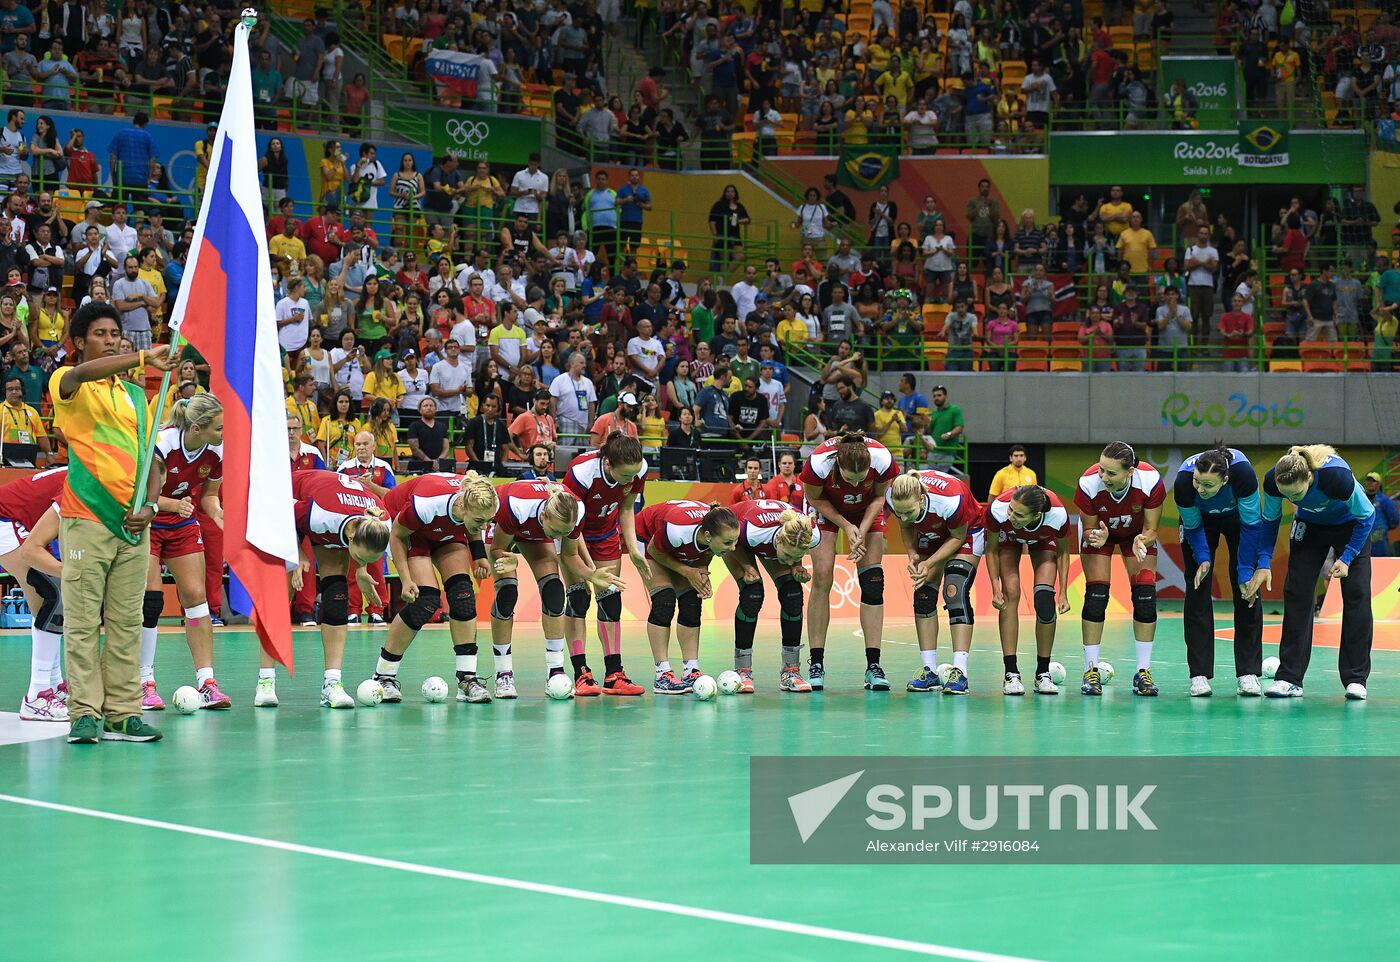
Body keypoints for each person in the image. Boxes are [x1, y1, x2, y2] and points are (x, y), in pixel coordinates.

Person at [52, 302, 175, 744]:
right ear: (80, 342)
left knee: (126, 622)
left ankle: (123, 714)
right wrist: (145, 357)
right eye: (99, 333)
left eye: (114, 333)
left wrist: (153, 506)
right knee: (83, 622)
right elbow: (84, 374)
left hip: (134, 526)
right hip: (87, 518)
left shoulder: (137, 397)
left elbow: (153, 461)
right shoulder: (69, 382)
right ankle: (84, 712)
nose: (109, 339)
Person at [257, 470, 390, 709]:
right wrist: (296, 555)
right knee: (283, 592)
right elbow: (285, 516)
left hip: (334, 514)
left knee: (337, 597)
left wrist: (361, 570)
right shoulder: (322, 513)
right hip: (285, 503)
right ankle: (265, 681)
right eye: (361, 557)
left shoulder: (380, 521)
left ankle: (332, 684)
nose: (363, 561)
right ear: (350, 537)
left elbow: (364, 544)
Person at [1255, 445, 1374, 699]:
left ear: (1309, 476)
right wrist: (1264, 561)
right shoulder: (1274, 481)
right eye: (1290, 497)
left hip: (1352, 526)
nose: (1295, 500)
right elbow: (1270, 521)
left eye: (1298, 493)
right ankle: (1290, 677)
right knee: (1297, 592)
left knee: (1357, 594)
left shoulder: (1336, 477)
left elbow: (1367, 515)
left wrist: (1348, 556)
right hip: (1309, 526)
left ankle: (1355, 679)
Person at [490, 479, 622, 697]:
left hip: (537, 533)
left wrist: (591, 574)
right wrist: (510, 558)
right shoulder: (515, 505)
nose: (560, 537)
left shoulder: (575, 510)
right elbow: (497, 548)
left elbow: (569, 555)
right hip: (504, 526)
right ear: (544, 516)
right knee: (507, 591)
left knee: (554, 591)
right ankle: (503, 673)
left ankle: (555, 670)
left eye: (565, 532)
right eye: (557, 531)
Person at [139, 395, 230, 712]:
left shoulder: (216, 450)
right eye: (219, 427)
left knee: (196, 596)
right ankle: (143, 682)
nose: (224, 432)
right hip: (147, 521)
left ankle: (207, 682)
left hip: (182, 521)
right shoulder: (163, 444)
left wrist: (217, 513)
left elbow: (209, 495)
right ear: (196, 427)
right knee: (151, 601)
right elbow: (140, 494)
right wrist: (172, 504)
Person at [376, 472, 499, 702]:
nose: (484, 526)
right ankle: (384, 676)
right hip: (410, 532)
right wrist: (405, 579)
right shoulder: (426, 503)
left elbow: (473, 527)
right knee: (425, 601)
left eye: (488, 521)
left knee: (463, 595)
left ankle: (467, 679)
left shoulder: (485, 500)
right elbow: (397, 535)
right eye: (480, 521)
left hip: (447, 531)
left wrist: (479, 554)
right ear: (462, 506)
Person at [799, 433, 899, 691]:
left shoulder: (882, 459)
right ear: (837, 467)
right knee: (822, 576)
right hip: (826, 508)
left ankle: (874, 666)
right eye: (849, 479)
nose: (855, 485)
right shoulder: (819, 462)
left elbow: (879, 497)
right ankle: (816, 663)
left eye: (860, 479)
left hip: (867, 510)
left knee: (873, 581)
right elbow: (814, 498)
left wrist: (861, 530)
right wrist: (845, 525)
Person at [559, 434, 650, 696]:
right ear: (608, 464)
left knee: (610, 600)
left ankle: (614, 674)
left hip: (607, 534)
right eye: (624, 476)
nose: (629, 481)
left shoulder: (637, 469)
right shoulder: (581, 473)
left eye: (633, 475)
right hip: (574, 536)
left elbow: (627, 507)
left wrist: (632, 549)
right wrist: (590, 571)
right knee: (578, 597)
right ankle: (581, 674)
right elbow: (572, 529)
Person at [1074, 441, 1166, 697]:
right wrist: (1096, 537)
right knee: (1096, 596)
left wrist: (1143, 540)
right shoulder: (1088, 484)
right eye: (1102, 469)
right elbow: (1090, 527)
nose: (1103, 477)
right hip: (1099, 536)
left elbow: (1152, 528)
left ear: (1130, 472)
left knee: (1145, 596)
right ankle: (1090, 669)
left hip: (1136, 535)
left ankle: (1143, 672)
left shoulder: (1150, 481)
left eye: (1111, 473)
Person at [886, 469, 989, 694]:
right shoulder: (895, 496)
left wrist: (928, 563)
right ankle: (929, 671)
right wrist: (912, 553)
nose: (903, 517)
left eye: (908, 512)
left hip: (966, 532)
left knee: (955, 589)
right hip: (930, 534)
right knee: (923, 595)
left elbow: (957, 537)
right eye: (899, 512)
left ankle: (960, 672)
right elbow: (906, 526)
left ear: (921, 499)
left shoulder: (949, 500)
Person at [1174, 444, 1265, 697]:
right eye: (1198, 483)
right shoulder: (1183, 484)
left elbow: (1251, 526)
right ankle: (1199, 675)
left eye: (1208, 486)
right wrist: (1203, 558)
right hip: (1201, 524)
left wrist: (1246, 572)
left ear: (1225, 480)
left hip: (1239, 522)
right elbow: (1192, 527)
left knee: (1247, 589)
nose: (1200, 490)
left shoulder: (1243, 476)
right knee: (1197, 588)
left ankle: (1248, 673)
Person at [634, 500, 741, 693]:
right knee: (664, 599)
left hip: (675, 544)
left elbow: (707, 552)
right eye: (727, 543)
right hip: (647, 539)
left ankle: (691, 670)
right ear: (708, 535)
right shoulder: (678, 529)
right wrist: (686, 571)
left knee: (692, 600)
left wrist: (701, 570)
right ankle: (662, 674)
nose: (733, 548)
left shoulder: (712, 530)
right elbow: (654, 550)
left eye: (735, 541)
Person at [986, 484, 1073, 698]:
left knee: (1044, 599)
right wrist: (995, 587)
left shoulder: (1057, 515)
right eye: (1011, 510)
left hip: (1043, 541)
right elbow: (991, 549)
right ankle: (1011, 673)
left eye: (1019, 514)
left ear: (1037, 515)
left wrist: (1063, 592)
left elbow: (1063, 552)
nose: (1012, 515)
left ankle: (1043, 673)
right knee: (1010, 593)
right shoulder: (998, 509)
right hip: (1009, 540)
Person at [724, 500, 819, 693]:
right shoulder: (752, 530)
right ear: (779, 540)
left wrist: (795, 565)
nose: (790, 560)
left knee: (793, 594)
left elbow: (795, 550)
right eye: (788, 556)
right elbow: (731, 543)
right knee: (752, 594)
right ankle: (743, 670)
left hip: (771, 539)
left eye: (796, 556)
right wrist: (747, 567)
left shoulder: (811, 534)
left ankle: (791, 672)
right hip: (735, 539)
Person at [0, 467, 69, 720]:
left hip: (13, 520)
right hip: (4, 519)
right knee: (55, 594)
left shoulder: (86, 470)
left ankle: (52, 684)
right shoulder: (85, 479)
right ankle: (37, 696)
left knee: (46, 603)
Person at [339, 431, 396, 626]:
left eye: (365, 444)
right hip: (354, 526)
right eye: (358, 444)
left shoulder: (384, 467)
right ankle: (353, 611)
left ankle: (376, 611)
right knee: (353, 569)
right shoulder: (345, 468)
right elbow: (338, 494)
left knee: (376, 569)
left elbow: (390, 495)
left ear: (373, 447)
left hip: (377, 527)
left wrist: (369, 485)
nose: (361, 447)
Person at [1363, 471, 1399, 557]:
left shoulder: (1385, 501)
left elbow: (1395, 520)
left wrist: (1382, 529)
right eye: (1368, 480)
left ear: (1379, 484)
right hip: (1362, 541)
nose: (1370, 483)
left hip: (1380, 544)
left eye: (1373, 481)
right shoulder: (1361, 500)